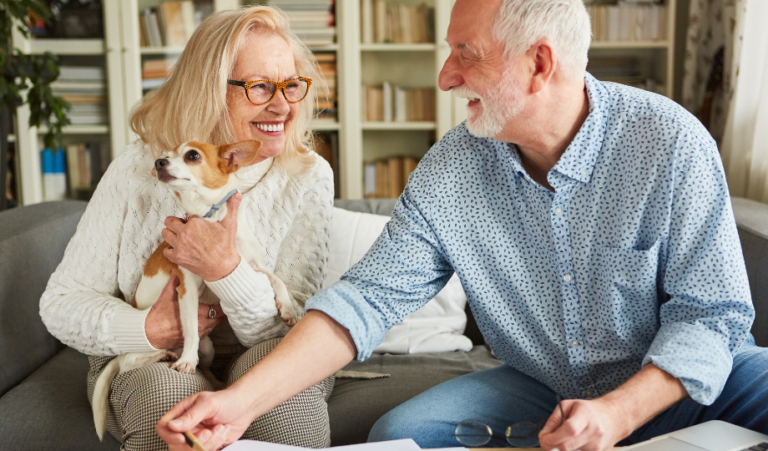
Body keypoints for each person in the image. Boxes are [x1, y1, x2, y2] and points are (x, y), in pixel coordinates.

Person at [156, 0, 768, 450]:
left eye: (465, 55)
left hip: (682, 382)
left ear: (539, 63)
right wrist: (236, 405)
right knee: (402, 435)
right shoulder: (454, 167)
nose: (446, 76)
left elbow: (712, 315)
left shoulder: (668, 140)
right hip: (547, 386)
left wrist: (617, 414)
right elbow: (365, 301)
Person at [39, 6, 335, 450]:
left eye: (291, 85)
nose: (283, 105)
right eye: (259, 87)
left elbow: (300, 336)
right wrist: (148, 330)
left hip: (262, 351)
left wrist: (227, 271)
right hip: (150, 355)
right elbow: (60, 304)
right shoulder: (140, 168)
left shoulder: (309, 176)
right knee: (168, 403)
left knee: (286, 406)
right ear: (210, 90)